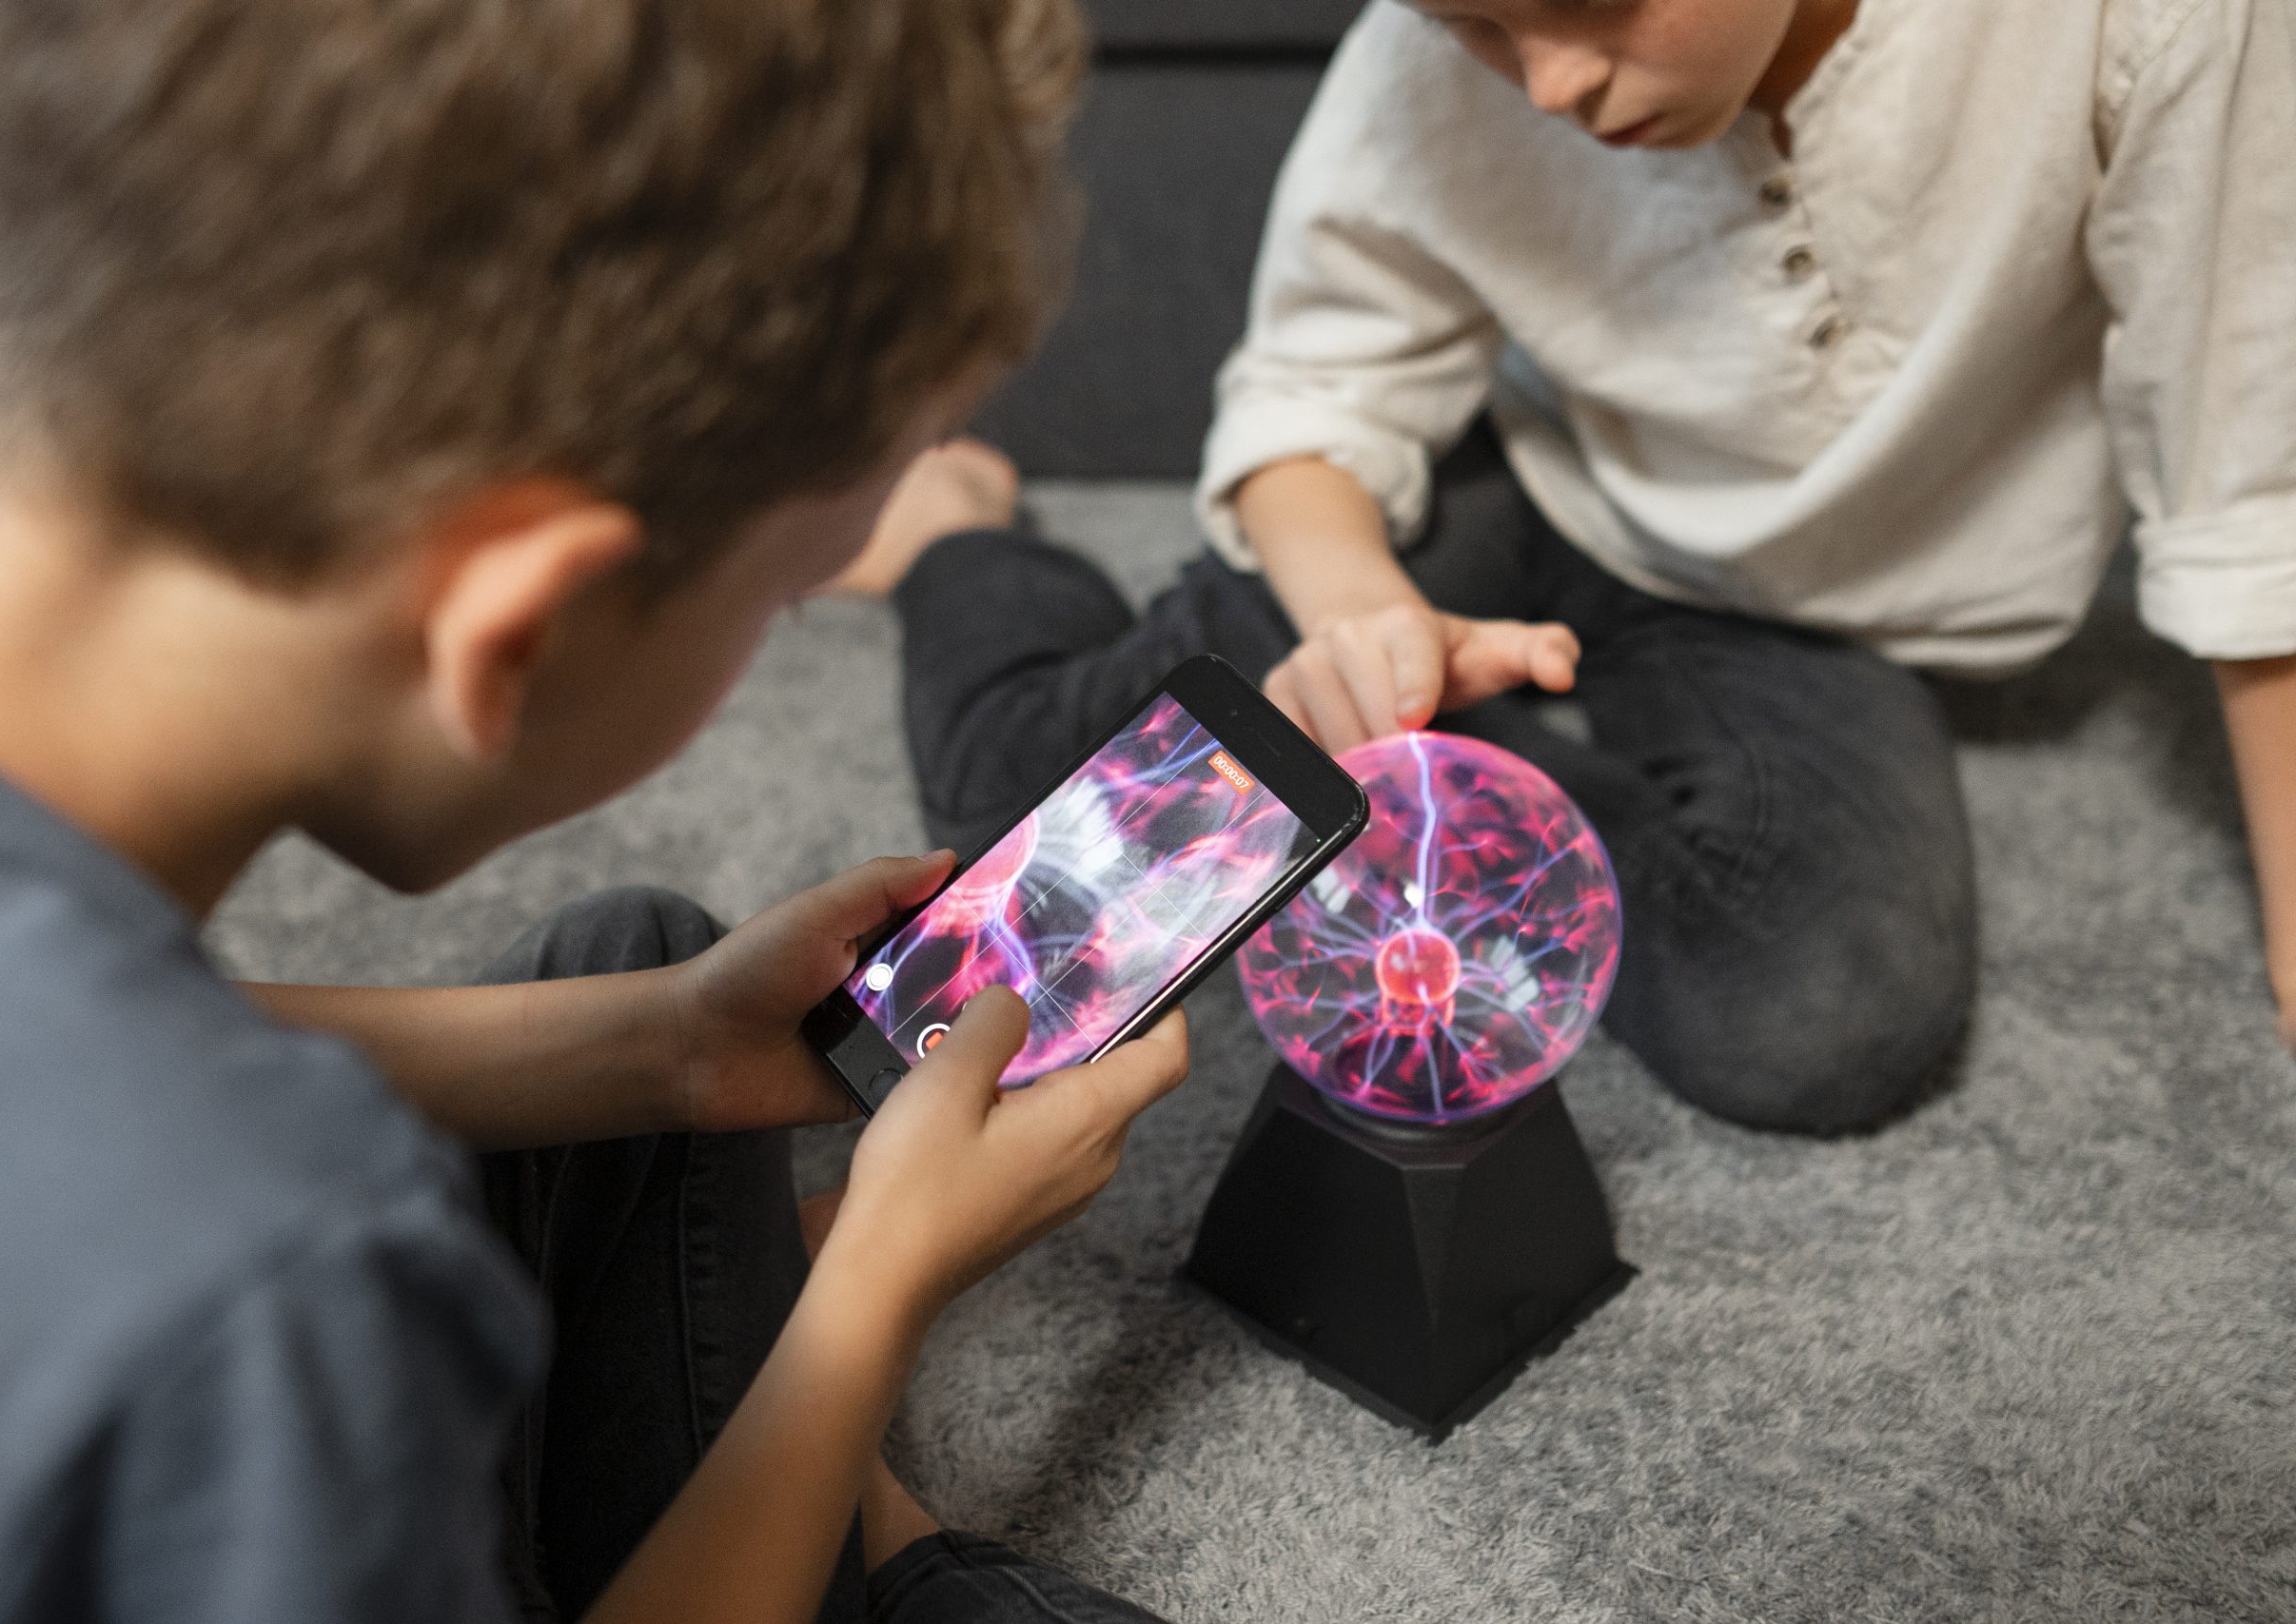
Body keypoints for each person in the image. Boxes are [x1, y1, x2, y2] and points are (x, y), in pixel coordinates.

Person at [0, 1, 1184, 1620]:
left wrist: (664, 1044)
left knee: (638, 962)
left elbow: (55, 1030)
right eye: (778, 598)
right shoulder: (274, 1292)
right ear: (518, 632)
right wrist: (872, 1296)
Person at [839, 0, 2296, 1135]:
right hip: (1514, 484)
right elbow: (1314, 400)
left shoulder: (2148, 29)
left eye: (1594, 3)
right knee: (1019, 819)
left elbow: (2249, 482)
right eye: (1478, 26)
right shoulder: (1424, 66)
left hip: (1809, 605)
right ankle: (957, 530)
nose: (1547, 86)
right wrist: (1364, 617)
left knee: (1818, 1016)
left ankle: (1456, 755)